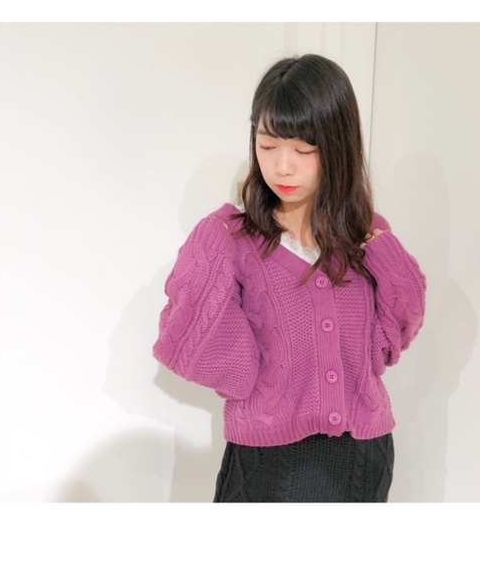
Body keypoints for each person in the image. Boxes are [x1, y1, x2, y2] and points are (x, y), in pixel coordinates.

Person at [153, 54, 426, 502]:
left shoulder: (367, 239)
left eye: (303, 150)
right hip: (270, 465)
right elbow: (195, 344)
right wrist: (210, 244)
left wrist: (383, 248)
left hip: (364, 458)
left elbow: (394, 335)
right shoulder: (235, 241)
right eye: (267, 146)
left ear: (338, 146)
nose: (283, 166)